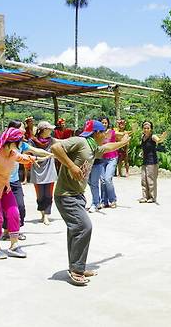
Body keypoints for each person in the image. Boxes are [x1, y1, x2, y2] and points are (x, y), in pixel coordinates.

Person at [50, 119, 130, 286]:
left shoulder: (93, 147)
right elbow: (56, 147)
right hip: (66, 195)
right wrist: (71, 166)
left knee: (76, 230)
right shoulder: (80, 141)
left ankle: (77, 266)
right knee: (84, 227)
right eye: (104, 132)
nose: (106, 135)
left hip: (77, 195)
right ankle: (76, 271)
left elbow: (107, 148)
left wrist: (122, 142)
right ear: (97, 133)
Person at [0, 127, 39, 259]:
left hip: (5, 189)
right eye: (19, 142)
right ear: (11, 142)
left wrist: (35, 158)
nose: (20, 144)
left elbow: (23, 158)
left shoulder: (12, 153)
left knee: (14, 214)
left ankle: (14, 246)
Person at [0, 120, 53, 241]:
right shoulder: (3, 144)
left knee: (20, 206)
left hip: (15, 181)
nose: (24, 129)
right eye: (22, 127)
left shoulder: (21, 144)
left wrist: (50, 155)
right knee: (5, 208)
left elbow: (35, 151)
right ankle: (7, 231)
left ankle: (16, 230)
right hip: (3, 181)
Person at [29, 121, 58, 225]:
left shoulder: (52, 140)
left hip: (50, 169)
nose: (51, 131)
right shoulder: (32, 141)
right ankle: (42, 213)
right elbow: (29, 153)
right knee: (40, 195)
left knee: (49, 194)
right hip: (37, 169)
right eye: (49, 129)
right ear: (44, 130)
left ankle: (46, 215)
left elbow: (62, 142)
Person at [138, 121, 167, 203]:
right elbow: (144, 148)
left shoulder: (153, 136)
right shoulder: (142, 137)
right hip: (145, 161)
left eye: (148, 128)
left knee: (151, 180)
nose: (146, 130)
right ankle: (145, 196)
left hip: (152, 161)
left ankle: (152, 197)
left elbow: (159, 140)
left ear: (151, 129)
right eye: (144, 128)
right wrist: (142, 153)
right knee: (144, 180)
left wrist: (162, 138)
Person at [99, 117, 119, 208]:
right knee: (102, 181)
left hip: (112, 158)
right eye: (102, 123)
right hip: (101, 159)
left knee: (107, 179)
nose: (104, 124)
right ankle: (104, 201)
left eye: (105, 123)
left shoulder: (112, 132)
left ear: (108, 123)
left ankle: (113, 200)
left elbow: (122, 134)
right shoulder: (98, 133)